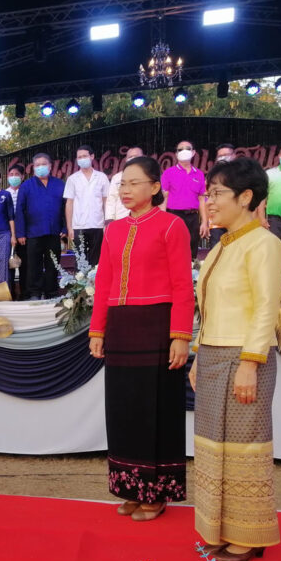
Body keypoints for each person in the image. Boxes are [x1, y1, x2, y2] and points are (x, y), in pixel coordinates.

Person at [189, 157, 281, 561]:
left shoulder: (264, 244)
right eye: (207, 194)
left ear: (246, 197)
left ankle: (250, 534)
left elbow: (266, 308)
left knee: (245, 448)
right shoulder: (219, 247)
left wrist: (250, 362)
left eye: (217, 194)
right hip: (213, 356)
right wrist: (198, 355)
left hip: (244, 358)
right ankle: (220, 528)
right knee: (214, 447)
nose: (209, 202)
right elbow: (208, 311)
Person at [89, 156, 193, 522]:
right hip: (121, 325)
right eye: (123, 184)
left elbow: (183, 285)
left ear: (155, 187)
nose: (126, 190)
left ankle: (157, 491)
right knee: (124, 408)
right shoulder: (113, 230)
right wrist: (97, 330)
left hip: (157, 325)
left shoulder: (172, 225)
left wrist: (181, 336)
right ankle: (131, 488)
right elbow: (104, 282)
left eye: (134, 183)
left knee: (154, 408)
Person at [15, 153, 66, 299]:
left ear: (50, 166)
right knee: (34, 265)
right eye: (37, 165)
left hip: (54, 231)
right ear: (33, 168)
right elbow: (20, 210)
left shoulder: (60, 184)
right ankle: (35, 293)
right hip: (33, 232)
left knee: (53, 263)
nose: (41, 167)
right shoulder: (26, 186)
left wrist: (64, 228)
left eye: (44, 164)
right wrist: (20, 233)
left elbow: (66, 207)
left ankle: (51, 292)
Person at [64, 145, 111, 265]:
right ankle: (81, 278)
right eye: (79, 157)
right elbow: (69, 203)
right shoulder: (72, 179)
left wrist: (107, 223)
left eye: (84, 156)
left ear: (92, 156)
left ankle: (95, 278)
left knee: (97, 260)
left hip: (98, 224)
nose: (82, 159)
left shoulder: (101, 177)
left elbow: (106, 201)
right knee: (80, 261)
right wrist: (69, 227)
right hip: (79, 225)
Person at [162, 140, 208, 259]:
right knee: (173, 249)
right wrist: (162, 221)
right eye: (180, 149)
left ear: (193, 152)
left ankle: (191, 268)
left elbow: (202, 199)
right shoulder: (168, 173)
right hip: (173, 216)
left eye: (187, 148)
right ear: (176, 154)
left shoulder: (199, 174)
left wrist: (204, 222)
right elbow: (164, 198)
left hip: (193, 217)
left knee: (191, 250)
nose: (184, 151)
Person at [5, 163, 28, 299]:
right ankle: (10, 293)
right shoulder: (4, 193)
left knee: (25, 263)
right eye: (11, 174)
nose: (14, 177)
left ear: (22, 176)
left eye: (17, 175)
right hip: (8, 234)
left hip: (24, 233)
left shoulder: (26, 191)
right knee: (10, 264)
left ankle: (25, 292)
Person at [105, 146, 143, 226]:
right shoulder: (117, 178)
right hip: (121, 219)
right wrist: (109, 219)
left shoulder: (149, 177)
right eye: (130, 157)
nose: (133, 159)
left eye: (136, 156)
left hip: (143, 219)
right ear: (126, 159)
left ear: (142, 158)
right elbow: (111, 199)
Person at [207, 144, 236, 248]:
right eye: (220, 156)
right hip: (217, 223)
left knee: (236, 252)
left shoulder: (242, 175)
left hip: (236, 222)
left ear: (234, 155)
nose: (223, 158)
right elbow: (207, 199)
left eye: (226, 154)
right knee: (217, 252)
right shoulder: (212, 176)